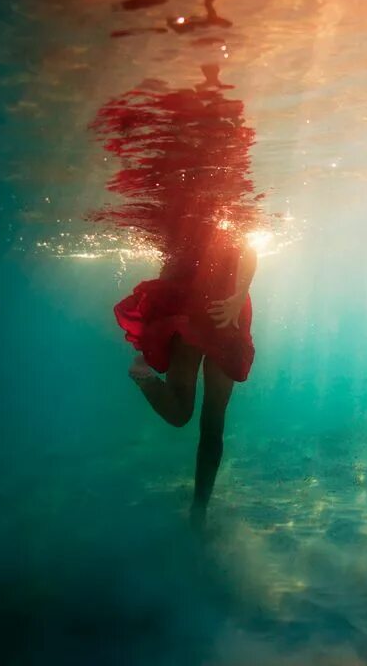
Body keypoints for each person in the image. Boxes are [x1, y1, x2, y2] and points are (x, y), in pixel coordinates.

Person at [116, 222, 257, 526]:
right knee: (180, 413)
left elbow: (248, 248)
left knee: (213, 422)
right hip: (191, 312)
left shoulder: (226, 217)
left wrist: (239, 294)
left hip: (228, 314)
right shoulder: (182, 227)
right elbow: (170, 269)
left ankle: (199, 509)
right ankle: (142, 375)